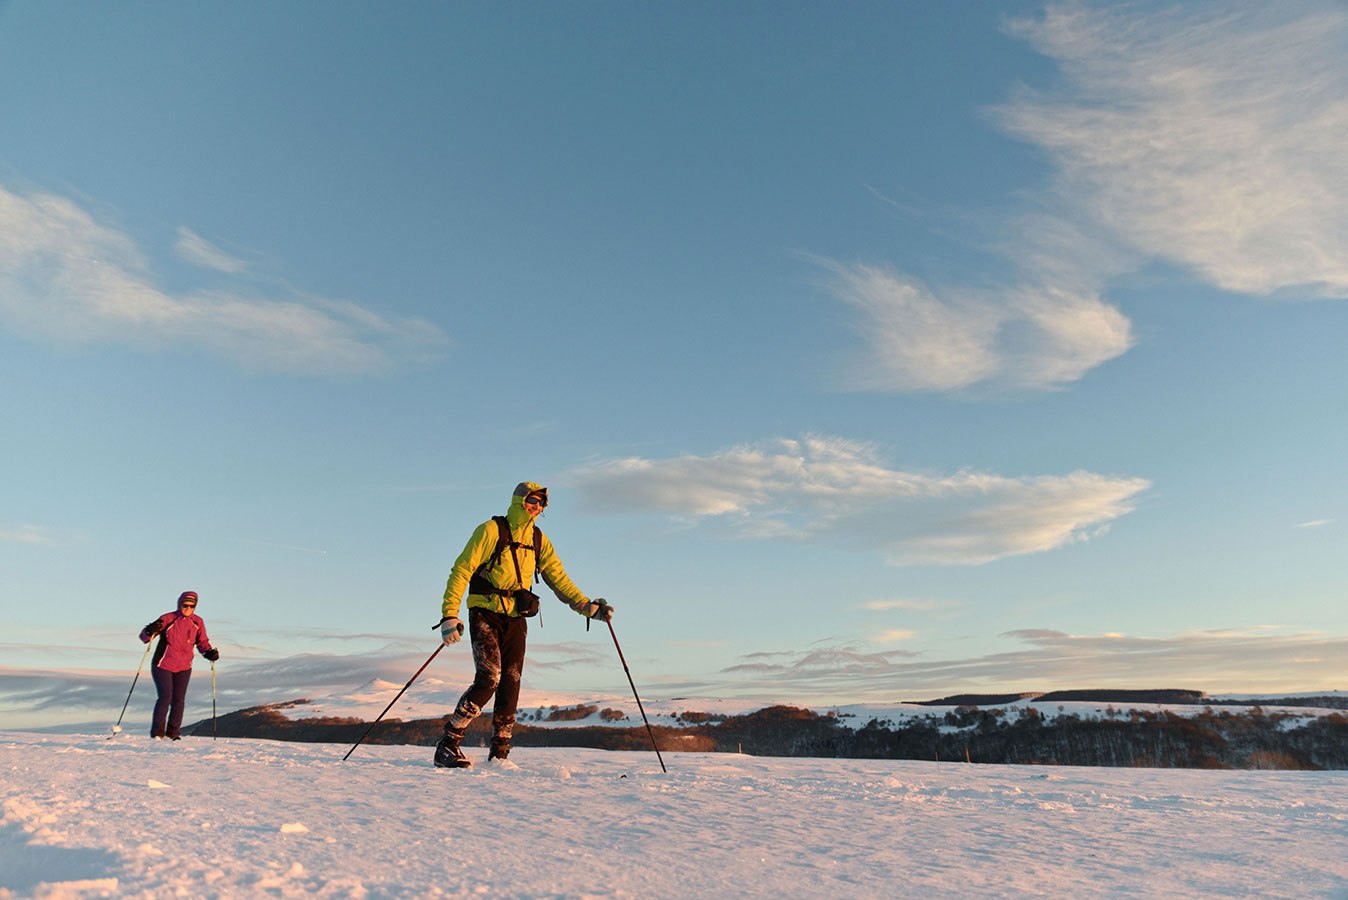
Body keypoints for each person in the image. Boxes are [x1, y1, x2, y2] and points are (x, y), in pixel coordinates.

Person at [433, 481, 612, 768]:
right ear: (520, 501)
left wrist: (586, 607)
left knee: (511, 682)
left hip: (516, 617)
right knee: (489, 678)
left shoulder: (538, 540)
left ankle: (500, 755)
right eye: (532, 500)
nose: (536, 506)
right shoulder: (491, 530)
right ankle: (448, 744)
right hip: (485, 612)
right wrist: (449, 615)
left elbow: (558, 577)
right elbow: (462, 569)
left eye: (541, 503)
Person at [138, 591, 219, 740]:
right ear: (180, 604)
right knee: (165, 697)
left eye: (192, 606)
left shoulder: (197, 622)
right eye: (185, 605)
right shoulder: (168, 618)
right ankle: (157, 734)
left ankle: (173, 734)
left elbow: (202, 642)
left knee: (179, 700)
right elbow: (144, 637)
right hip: (163, 664)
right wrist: (149, 630)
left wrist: (208, 652)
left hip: (184, 666)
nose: (188, 608)